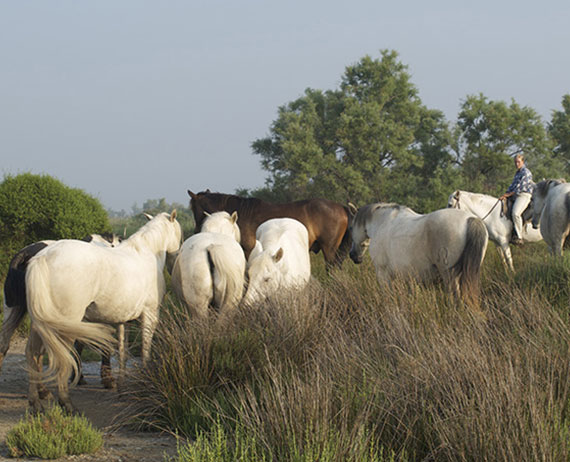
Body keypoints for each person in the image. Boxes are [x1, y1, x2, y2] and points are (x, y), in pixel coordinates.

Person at [499, 154, 534, 245]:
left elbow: (520, 187)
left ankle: (519, 237)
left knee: (516, 213)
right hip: (515, 195)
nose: (516, 164)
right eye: (515, 162)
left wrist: (508, 194)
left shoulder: (526, 172)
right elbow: (512, 186)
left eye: (518, 162)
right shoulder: (517, 173)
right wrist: (504, 194)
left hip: (524, 195)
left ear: (523, 162)